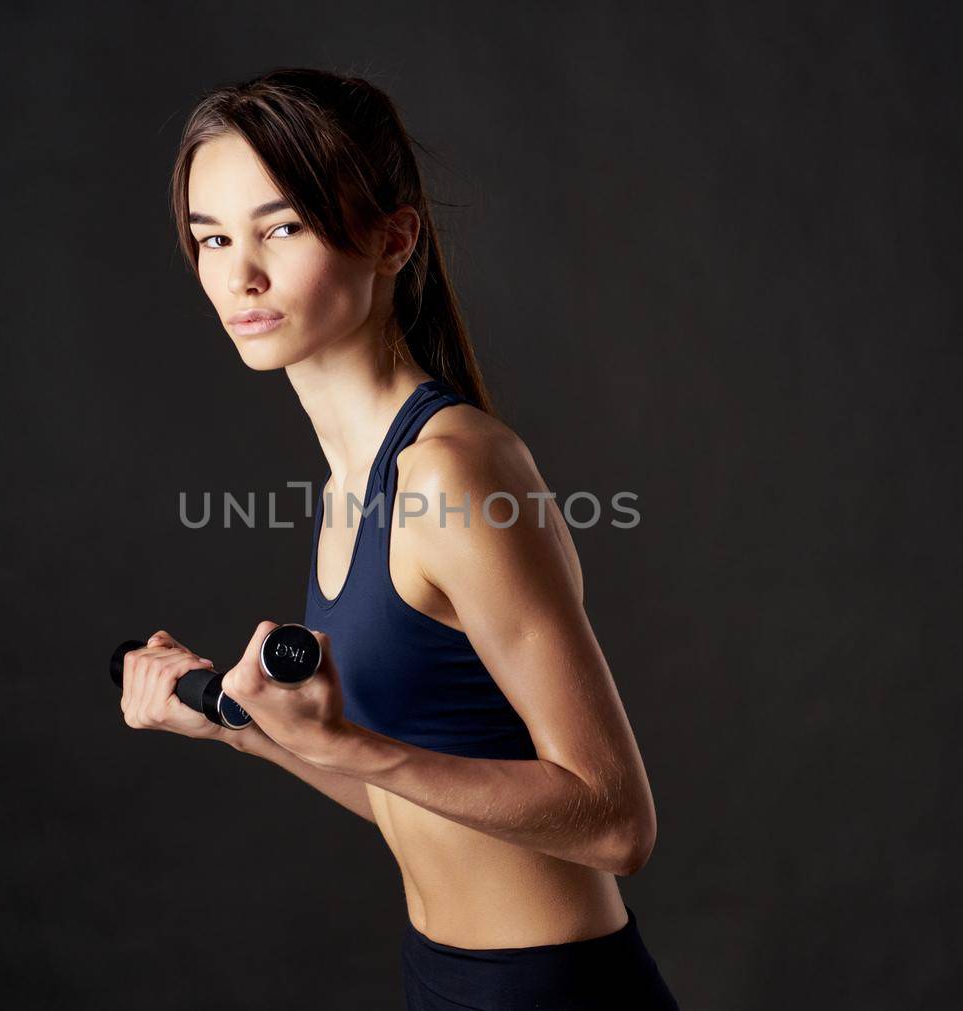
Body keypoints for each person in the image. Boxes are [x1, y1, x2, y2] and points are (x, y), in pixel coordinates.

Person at [117, 66, 679, 1010]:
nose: (237, 274)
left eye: (280, 227)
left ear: (393, 237)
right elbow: (418, 809)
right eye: (212, 238)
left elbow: (618, 822)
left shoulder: (452, 474)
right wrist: (233, 722)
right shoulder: (355, 482)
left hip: (552, 991)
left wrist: (349, 744)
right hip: (442, 976)